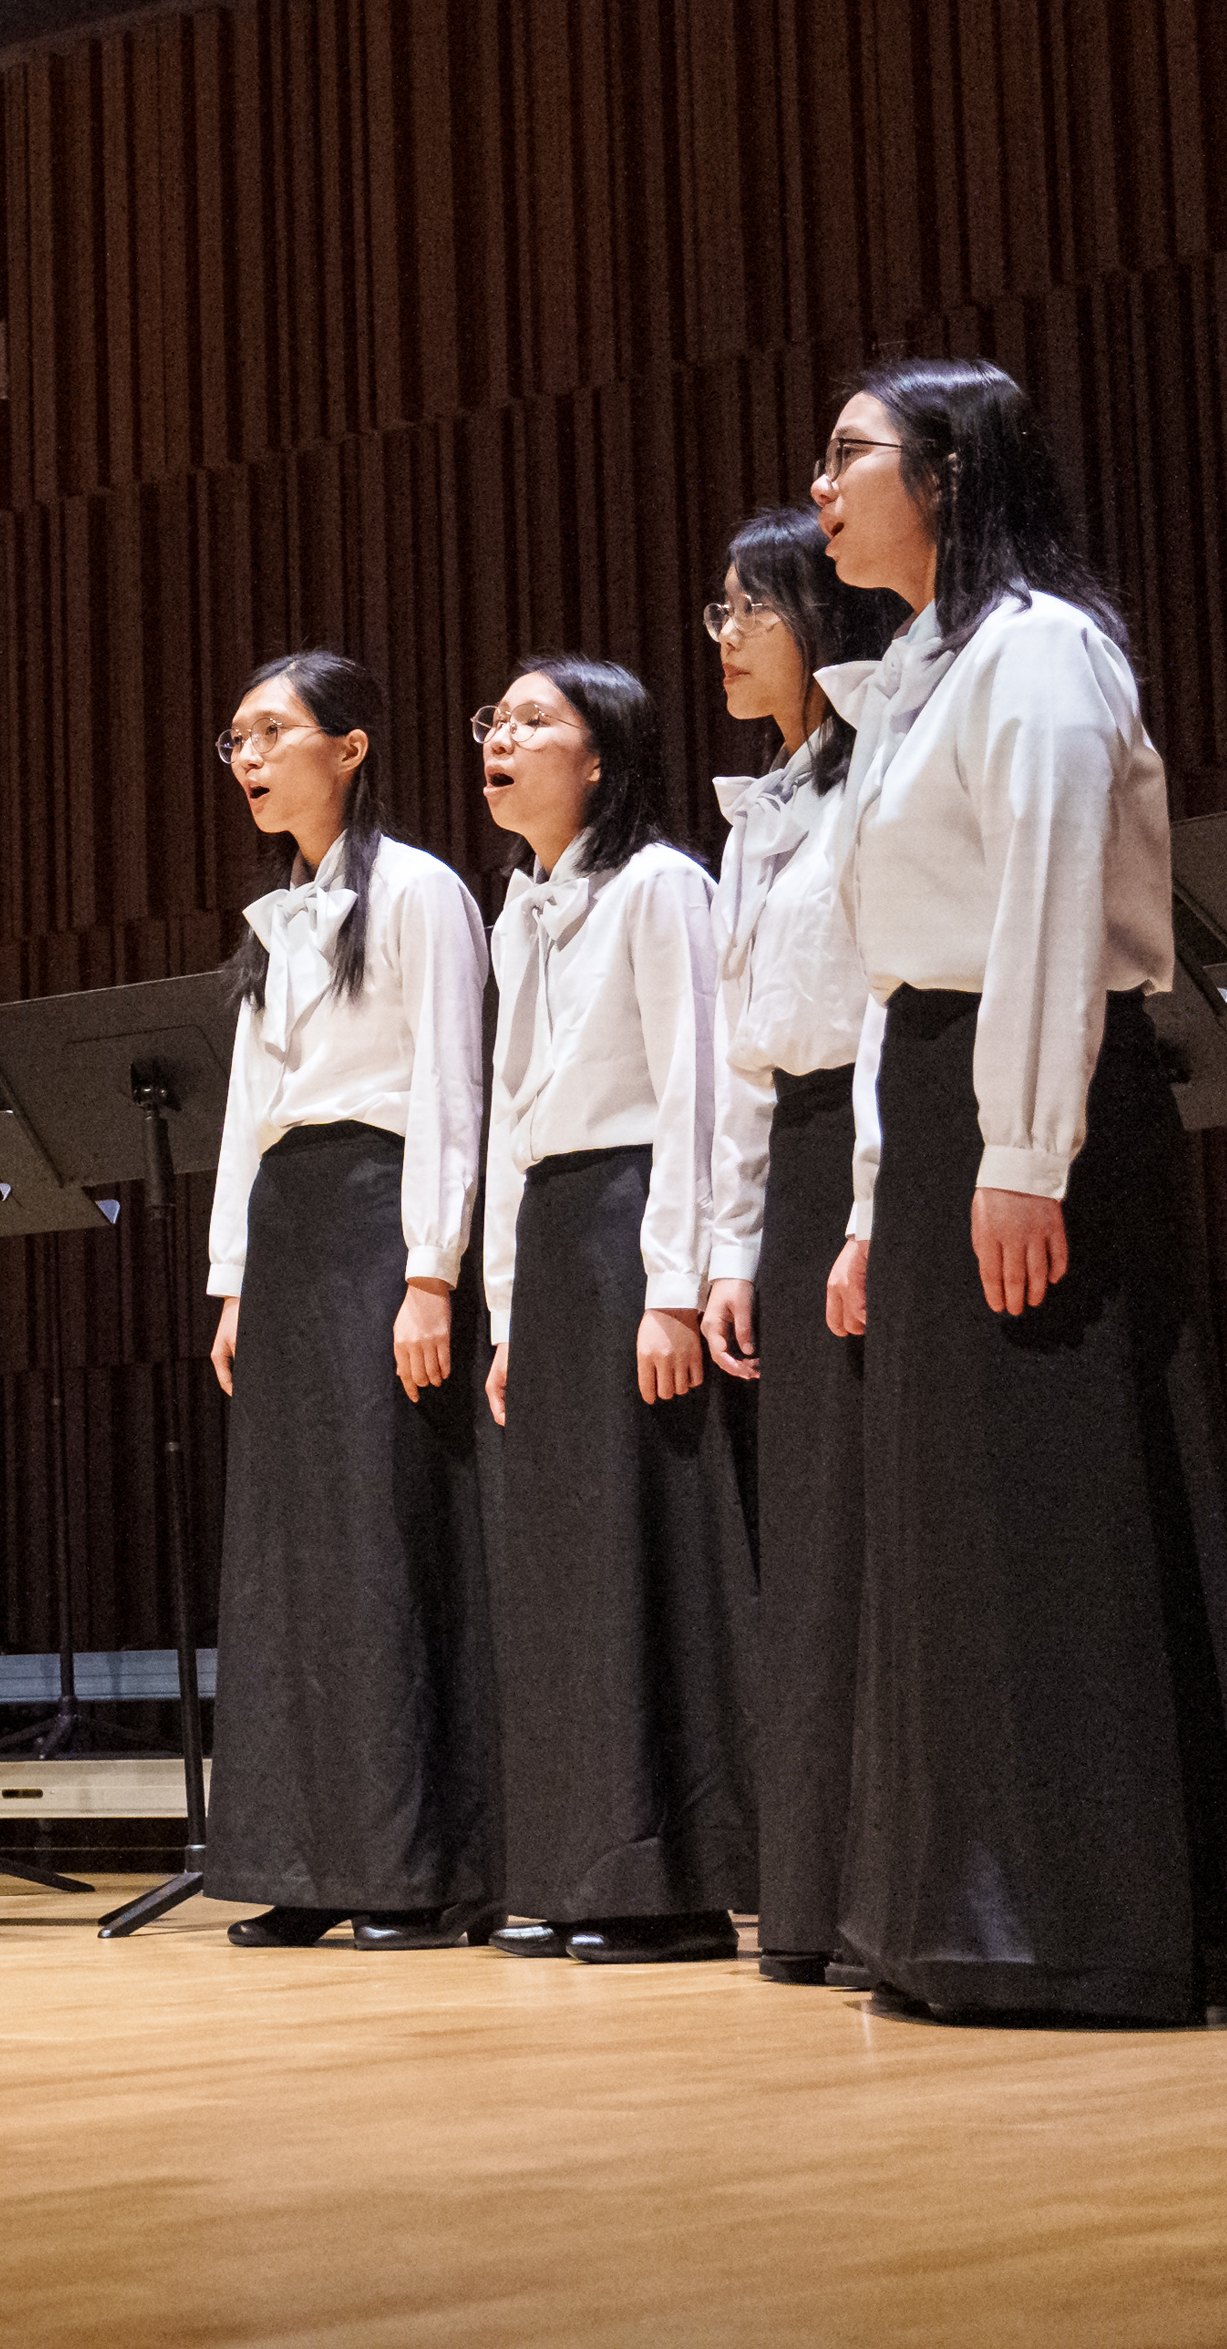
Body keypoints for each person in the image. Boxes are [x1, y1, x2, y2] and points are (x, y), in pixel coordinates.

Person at [815, 359, 1227, 2025]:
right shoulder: (917, 676)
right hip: (951, 1105)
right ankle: (964, 1911)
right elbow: (896, 974)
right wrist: (879, 1201)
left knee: (1057, 1518)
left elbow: (1042, 919)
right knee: (957, 1537)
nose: (823, 486)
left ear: (947, 474)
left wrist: (1026, 1154)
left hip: (1047, 1110)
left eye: (850, 455)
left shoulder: (1041, 655)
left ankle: (1084, 1921)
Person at [196, 652, 498, 1951]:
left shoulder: (421, 892)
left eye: (275, 732)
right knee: (289, 1553)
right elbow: (246, 1120)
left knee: (384, 1533)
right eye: (238, 738)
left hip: (383, 1218)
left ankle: (409, 1864)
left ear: (352, 749)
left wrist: (432, 1267)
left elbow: (451, 1085)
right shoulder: (282, 915)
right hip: (291, 1227)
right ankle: (304, 1861)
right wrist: (232, 1283)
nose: (252, 758)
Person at [473, 657, 748, 1967]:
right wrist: (506, 1315)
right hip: (551, 1239)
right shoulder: (513, 908)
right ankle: (584, 1866)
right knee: (568, 1575)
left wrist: (675, 1288)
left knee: (653, 1556)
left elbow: (700, 1085)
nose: (502, 738)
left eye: (533, 721)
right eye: (495, 722)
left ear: (601, 755)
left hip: (636, 1223)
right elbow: (506, 1124)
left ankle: (677, 1880)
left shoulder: (661, 886)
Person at [691, 508, 905, 1986]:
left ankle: (903, 1875)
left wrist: (877, 1206)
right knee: (813, 1542)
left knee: (892, 1522)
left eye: (746, 610)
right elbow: (737, 1058)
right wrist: (728, 1245)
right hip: (795, 1160)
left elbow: (889, 993)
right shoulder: (754, 810)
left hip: (879, 1149)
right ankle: (821, 1891)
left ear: (817, 618)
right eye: (718, 614)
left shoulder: (878, 769)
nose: (726, 638)